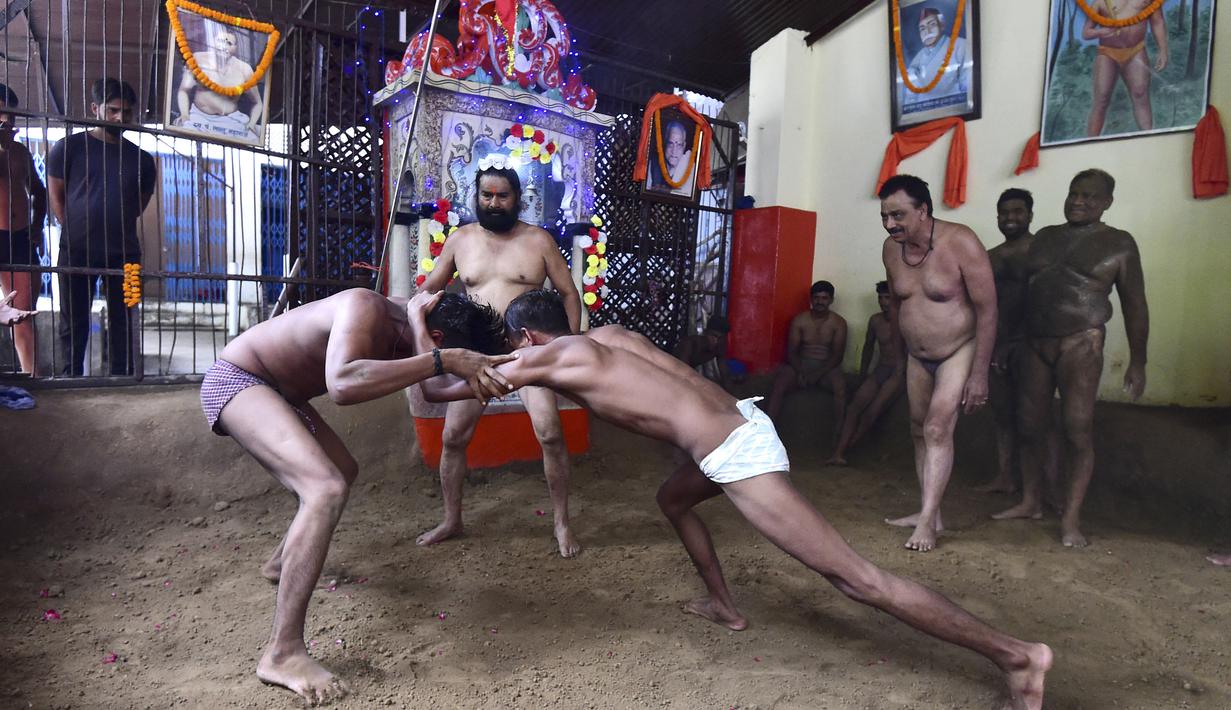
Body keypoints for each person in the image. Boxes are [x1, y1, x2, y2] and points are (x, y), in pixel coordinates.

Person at [411, 289, 1052, 710]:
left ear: (527, 338)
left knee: (858, 580)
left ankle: (1018, 656)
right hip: (742, 422)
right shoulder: (609, 333)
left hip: (737, 455)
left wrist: (420, 326)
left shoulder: (551, 359)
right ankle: (724, 605)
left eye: (521, 347)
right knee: (673, 501)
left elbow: (434, 396)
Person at [200, 288, 513, 705]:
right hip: (240, 381)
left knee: (342, 470)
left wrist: (478, 372)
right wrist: (446, 360)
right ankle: (283, 652)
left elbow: (433, 387)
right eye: (451, 355)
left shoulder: (412, 323)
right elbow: (343, 384)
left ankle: (281, 563)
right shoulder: (364, 306)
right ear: (438, 337)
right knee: (324, 487)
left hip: (280, 395)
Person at [418, 162, 584, 557]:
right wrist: (434, 336)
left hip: (528, 352)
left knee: (550, 434)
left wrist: (566, 345)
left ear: (517, 199)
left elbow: (569, 294)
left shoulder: (539, 241)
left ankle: (561, 524)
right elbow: (429, 291)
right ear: (476, 197)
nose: (494, 202)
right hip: (476, 354)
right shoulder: (460, 240)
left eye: (502, 195)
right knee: (454, 438)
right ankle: (452, 519)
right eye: (486, 195)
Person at [995, 169, 1148, 547]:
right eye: (1073, 193)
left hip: (1081, 341)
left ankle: (1071, 518)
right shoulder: (1045, 237)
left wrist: (1138, 360)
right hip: (1033, 341)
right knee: (1029, 424)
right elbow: (1021, 293)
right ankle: (1031, 500)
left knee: (1077, 427)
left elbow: (1135, 305)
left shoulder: (1120, 243)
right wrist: (1005, 340)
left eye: (1090, 196)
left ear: (1107, 202)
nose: (1079, 201)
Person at [878, 174, 996, 552]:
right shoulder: (890, 249)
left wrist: (979, 373)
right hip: (916, 354)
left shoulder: (961, 242)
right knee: (917, 429)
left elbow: (988, 309)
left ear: (923, 210)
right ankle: (933, 511)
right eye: (884, 216)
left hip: (957, 351)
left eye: (898, 215)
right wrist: (897, 355)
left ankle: (927, 523)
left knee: (936, 429)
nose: (890, 224)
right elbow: (898, 303)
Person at [47, 78, 156, 376]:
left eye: (127, 112)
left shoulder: (143, 160)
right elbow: (56, 197)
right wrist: (76, 228)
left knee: (126, 316)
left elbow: (137, 206)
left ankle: (122, 376)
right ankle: (71, 377)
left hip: (126, 254)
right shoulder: (68, 148)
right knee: (74, 319)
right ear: (95, 109)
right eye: (113, 110)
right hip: (75, 251)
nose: (121, 117)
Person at [975, 189, 1061, 501]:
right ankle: (1006, 477)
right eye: (1004, 213)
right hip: (997, 346)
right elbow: (984, 306)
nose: (1010, 219)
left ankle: (1050, 487)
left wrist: (1021, 341)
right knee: (1002, 414)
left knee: (1039, 418)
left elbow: (1046, 303)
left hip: (1033, 346)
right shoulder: (991, 256)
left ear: (1030, 215)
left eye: (1017, 212)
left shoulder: (1042, 253)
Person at [826, 281, 905, 465]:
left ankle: (847, 449)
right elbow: (868, 347)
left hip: (899, 372)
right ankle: (838, 453)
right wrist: (863, 372)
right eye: (880, 297)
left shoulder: (905, 319)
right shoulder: (875, 320)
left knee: (873, 410)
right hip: (881, 369)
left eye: (887, 297)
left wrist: (903, 373)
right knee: (854, 407)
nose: (883, 302)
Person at [764, 281, 847, 447]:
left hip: (826, 367)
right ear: (811, 299)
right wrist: (801, 372)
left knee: (841, 388)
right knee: (779, 384)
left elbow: (837, 356)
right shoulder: (800, 320)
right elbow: (792, 352)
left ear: (831, 300)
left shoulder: (838, 323)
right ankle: (766, 432)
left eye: (824, 298)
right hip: (801, 365)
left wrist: (818, 373)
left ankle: (838, 435)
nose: (820, 302)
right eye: (816, 298)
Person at [0, 85, 47, 375]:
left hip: (17, 237)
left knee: (23, 314)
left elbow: (38, 191)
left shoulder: (19, 152)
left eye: (10, 116)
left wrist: (37, 225)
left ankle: (33, 378)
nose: (6, 122)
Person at [1082, 0, 1168, 136]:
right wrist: (1103, 31)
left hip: (1136, 50)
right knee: (1102, 99)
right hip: (1107, 52)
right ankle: (1090, 142)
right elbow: (1086, 33)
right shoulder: (1100, 2)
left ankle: (1149, 138)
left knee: (1141, 95)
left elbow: (1157, 22)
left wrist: (1163, 50)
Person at [175, 28, 264, 142]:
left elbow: (258, 103)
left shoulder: (244, 69)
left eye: (229, 43)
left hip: (232, 121)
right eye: (220, 41)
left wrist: (251, 123)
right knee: (184, 132)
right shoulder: (198, 59)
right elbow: (183, 90)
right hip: (199, 118)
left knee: (254, 139)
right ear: (213, 42)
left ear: (235, 48)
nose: (224, 46)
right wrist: (185, 115)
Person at [902, 7, 969, 110]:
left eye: (932, 25)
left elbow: (968, 90)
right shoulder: (918, 58)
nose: (927, 31)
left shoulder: (961, 45)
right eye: (922, 28)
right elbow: (910, 98)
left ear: (941, 25)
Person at [673, 314, 738, 390]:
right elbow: (683, 372)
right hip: (673, 374)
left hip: (689, 376)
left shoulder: (720, 347)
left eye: (720, 338)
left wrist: (733, 398)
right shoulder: (690, 344)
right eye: (713, 336)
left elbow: (725, 375)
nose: (716, 341)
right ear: (705, 333)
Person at [648, 120, 695, 197]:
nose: (674, 151)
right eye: (670, 144)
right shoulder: (653, 164)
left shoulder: (690, 168)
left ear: (684, 146)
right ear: (665, 143)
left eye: (679, 145)